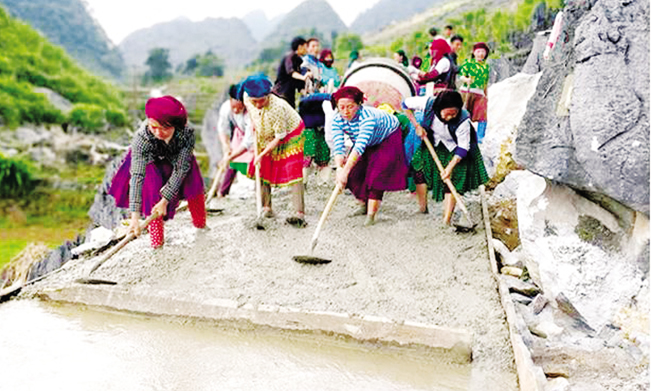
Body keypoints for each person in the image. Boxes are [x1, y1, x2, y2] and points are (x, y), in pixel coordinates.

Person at [108, 96, 206, 248]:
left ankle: (200, 224)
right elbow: (137, 176)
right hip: (151, 160)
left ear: (175, 126)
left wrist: (165, 200)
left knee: (193, 184)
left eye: (165, 128)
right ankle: (156, 242)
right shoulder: (142, 138)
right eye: (154, 127)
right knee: (151, 189)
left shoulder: (186, 135)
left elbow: (180, 169)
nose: (158, 133)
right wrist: (135, 217)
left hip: (177, 159)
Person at [228, 74, 307, 227]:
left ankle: (299, 213)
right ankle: (266, 208)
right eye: (254, 101)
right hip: (265, 132)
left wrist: (261, 154)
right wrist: (254, 122)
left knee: (293, 170)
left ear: (268, 95)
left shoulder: (277, 107)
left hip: (290, 133)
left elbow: (279, 137)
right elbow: (252, 112)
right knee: (263, 168)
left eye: (261, 101)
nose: (257, 105)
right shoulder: (246, 97)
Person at [401, 90, 488, 225]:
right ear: (438, 108)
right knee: (418, 168)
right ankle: (422, 208)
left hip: (456, 147)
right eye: (447, 114)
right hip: (434, 141)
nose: (450, 118)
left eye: (454, 114)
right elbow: (405, 104)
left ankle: (446, 220)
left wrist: (449, 168)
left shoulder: (463, 120)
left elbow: (463, 148)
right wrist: (417, 125)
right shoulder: (428, 103)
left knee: (452, 179)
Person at [331, 86, 408, 226]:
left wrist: (345, 170)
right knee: (355, 173)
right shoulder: (337, 120)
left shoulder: (367, 118)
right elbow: (338, 145)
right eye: (341, 107)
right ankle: (363, 205)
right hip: (366, 140)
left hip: (387, 136)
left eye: (350, 106)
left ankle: (371, 216)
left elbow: (360, 146)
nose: (346, 111)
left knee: (377, 175)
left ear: (359, 105)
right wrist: (339, 169)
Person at [216, 84, 253, 197]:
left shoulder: (251, 113)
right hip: (239, 133)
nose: (236, 110)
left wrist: (229, 157)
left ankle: (260, 189)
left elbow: (248, 142)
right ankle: (221, 193)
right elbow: (222, 129)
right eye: (234, 107)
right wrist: (226, 147)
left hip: (254, 136)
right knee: (231, 161)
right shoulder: (226, 108)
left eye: (239, 108)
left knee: (253, 161)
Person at [458, 42, 490, 142]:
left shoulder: (486, 67)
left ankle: (480, 138)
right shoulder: (468, 63)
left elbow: (485, 82)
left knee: (482, 116)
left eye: (483, 51)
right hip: (466, 92)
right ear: (474, 52)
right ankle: (463, 136)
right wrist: (466, 80)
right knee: (464, 115)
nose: (480, 54)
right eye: (478, 51)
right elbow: (462, 76)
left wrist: (486, 95)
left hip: (480, 94)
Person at [273, 36, 312, 108]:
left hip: (290, 94)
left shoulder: (299, 60)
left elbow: (297, 80)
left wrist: (303, 89)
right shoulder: (289, 57)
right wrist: (303, 77)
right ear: (300, 46)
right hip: (281, 93)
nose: (306, 49)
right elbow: (291, 72)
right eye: (305, 46)